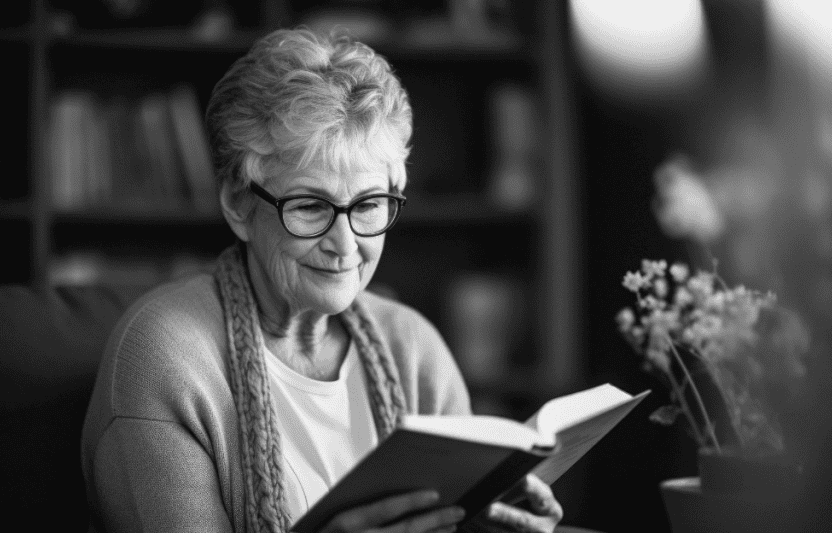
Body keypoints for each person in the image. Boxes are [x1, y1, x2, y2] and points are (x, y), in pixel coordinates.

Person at [81, 27, 564, 533]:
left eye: (369, 204)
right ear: (238, 205)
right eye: (311, 206)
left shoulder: (413, 347)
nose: (345, 243)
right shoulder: (163, 355)